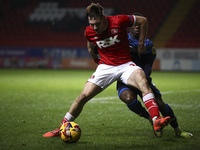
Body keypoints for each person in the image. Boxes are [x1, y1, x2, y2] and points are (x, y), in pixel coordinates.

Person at [43, 3, 171, 138]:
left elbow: (143, 20)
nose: (95, 27)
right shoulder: (89, 31)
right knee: (83, 97)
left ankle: (156, 119)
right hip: (106, 67)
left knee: (142, 81)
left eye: (97, 23)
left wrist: (140, 42)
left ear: (103, 17)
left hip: (125, 64)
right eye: (91, 24)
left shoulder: (118, 20)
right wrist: (94, 57)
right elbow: (90, 44)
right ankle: (61, 128)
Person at [116, 13, 193, 138]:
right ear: (129, 26)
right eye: (133, 24)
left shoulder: (148, 45)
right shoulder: (122, 41)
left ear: (143, 27)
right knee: (129, 99)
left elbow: (148, 65)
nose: (136, 27)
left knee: (161, 105)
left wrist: (143, 78)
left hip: (142, 78)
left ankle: (178, 130)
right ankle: (150, 118)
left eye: (139, 25)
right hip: (125, 80)